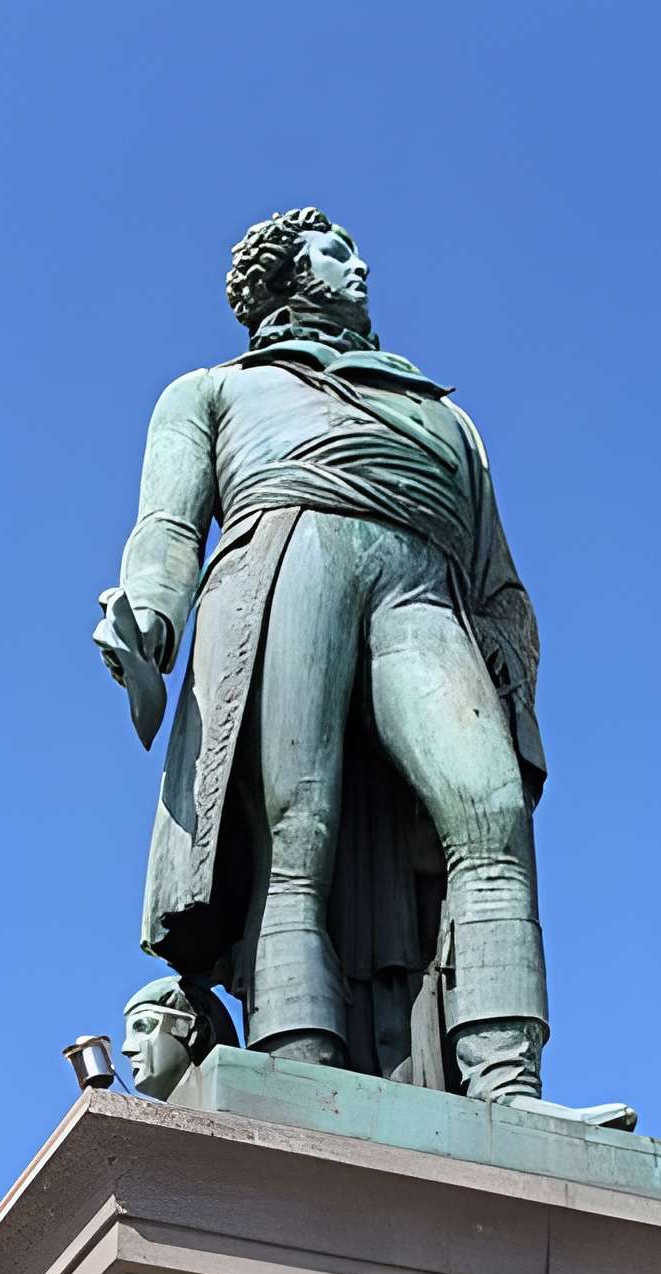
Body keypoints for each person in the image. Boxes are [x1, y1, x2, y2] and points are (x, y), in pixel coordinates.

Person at [97, 207, 554, 1102]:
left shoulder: (444, 418)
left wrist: (510, 648)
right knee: (294, 830)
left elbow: (494, 569)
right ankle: (300, 1073)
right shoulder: (210, 391)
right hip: (286, 562)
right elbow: (167, 527)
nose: (361, 265)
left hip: (424, 592)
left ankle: (508, 1085)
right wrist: (148, 615)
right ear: (286, 276)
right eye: (336, 252)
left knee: (492, 812)